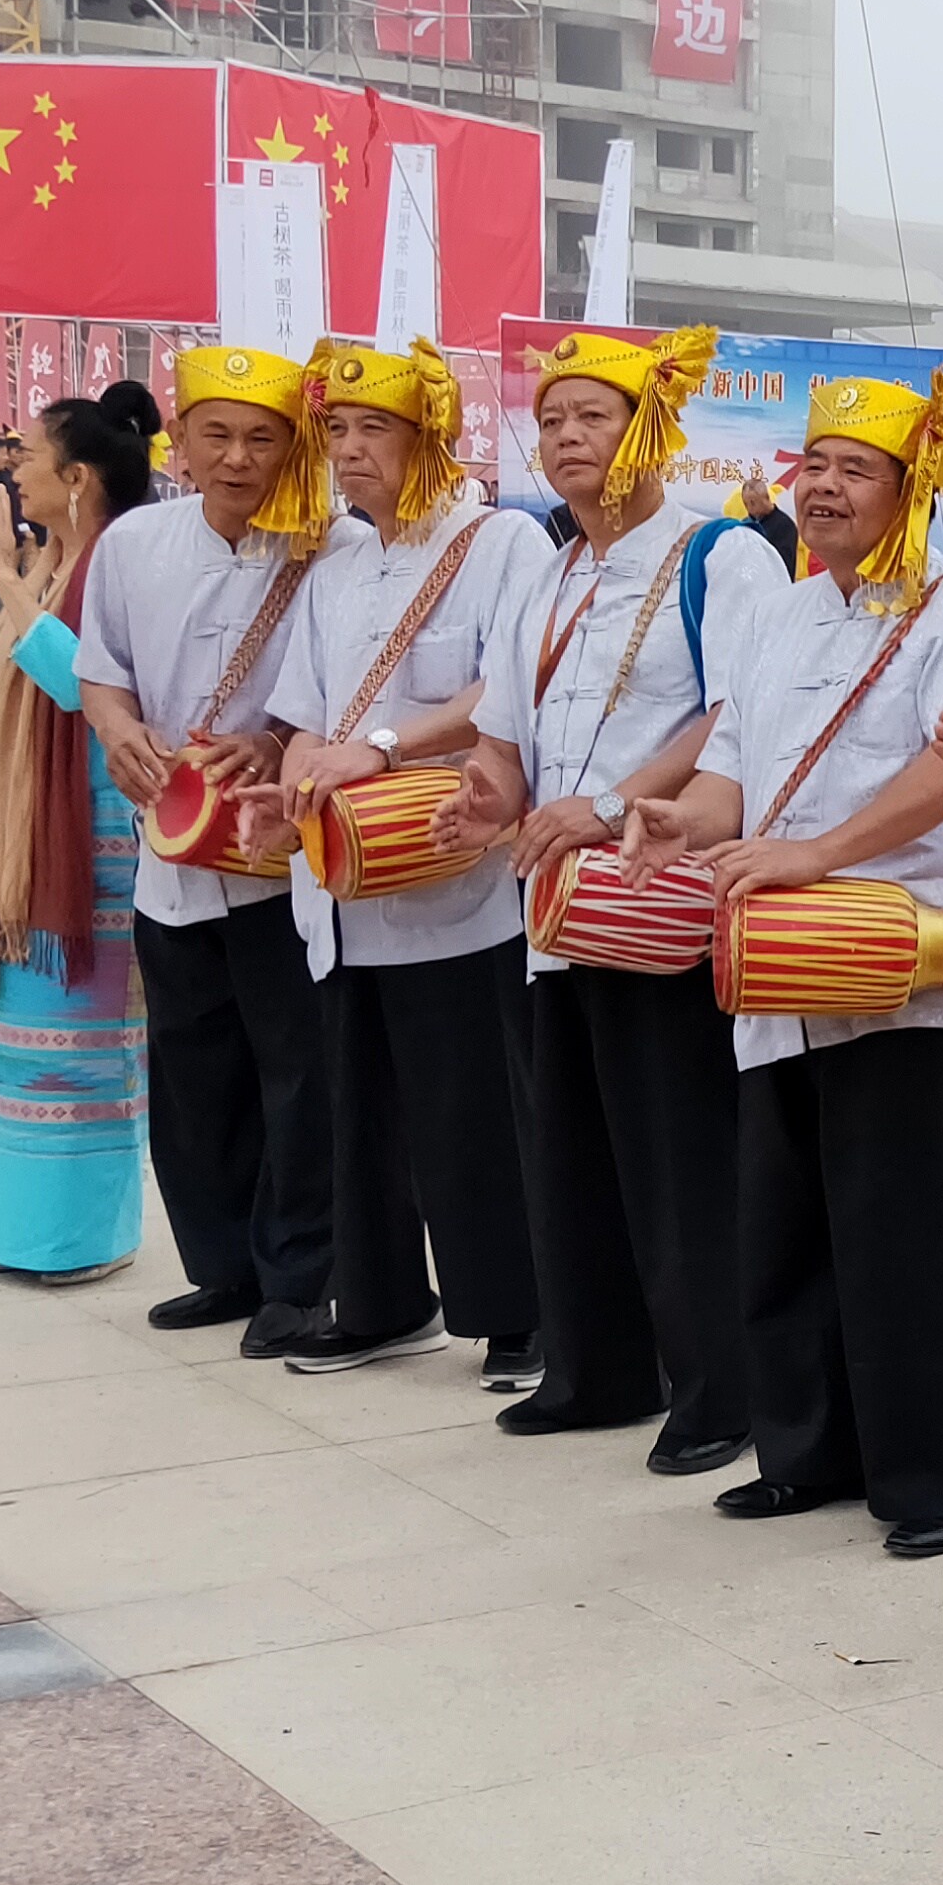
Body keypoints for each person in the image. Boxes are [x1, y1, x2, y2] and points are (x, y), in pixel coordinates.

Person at [641, 368, 943, 1558]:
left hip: (903, 960)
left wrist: (818, 854)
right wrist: (678, 823)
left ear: (913, 490)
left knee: (912, 1231)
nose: (825, 486)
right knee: (789, 1223)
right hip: (780, 968)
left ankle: (942, 1474)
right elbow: (735, 771)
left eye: (856, 468)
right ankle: (806, 1453)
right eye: (814, 464)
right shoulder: (780, 613)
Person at [488, 326, 771, 1473]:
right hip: (557, 905)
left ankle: (720, 1389)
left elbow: (736, 715)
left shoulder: (722, 556)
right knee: (574, 1144)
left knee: (680, 1149)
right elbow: (510, 730)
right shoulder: (551, 570)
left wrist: (609, 806)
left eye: (592, 417)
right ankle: (596, 1369)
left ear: (651, 429)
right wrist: (485, 792)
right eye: (552, 419)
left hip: (658, 897)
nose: (566, 438)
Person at [266, 336, 553, 1380]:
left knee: (471, 1105)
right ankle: (379, 1299)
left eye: (372, 430)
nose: (348, 451)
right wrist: (299, 778)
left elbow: (504, 690)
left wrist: (380, 748)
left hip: (449, 871)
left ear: (430, 437)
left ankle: (516, 1310)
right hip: (339, 882)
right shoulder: (336, 559)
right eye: (335, 431)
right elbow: (298, 713)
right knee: (359, 1108)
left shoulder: (500, 546)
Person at [78, 345, 340, 1357]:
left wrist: (275, 740)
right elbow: (102, 671)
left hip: (280, 857)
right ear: (177, 440)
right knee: (190, 1067)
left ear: (293, 446)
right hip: (170, 852)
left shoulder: (329, 549)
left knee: (297, 1071)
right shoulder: (137, 543)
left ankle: (300, 1275)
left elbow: (343, 688)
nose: (237, 458)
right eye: (217, 434)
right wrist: (118, 733)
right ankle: (222, 1264)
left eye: (262, 437)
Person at [0, 395, 153, 1281]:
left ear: (77, 479)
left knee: (84, 1042)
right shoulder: (62, 557)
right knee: (11, 1035)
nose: (11, 469)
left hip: (92, 839)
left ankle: (74, 1236)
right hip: (27, 837)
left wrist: (6, 583)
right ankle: (11, 1226)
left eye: (29, 457)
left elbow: (84, 686)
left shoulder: (122, 562)